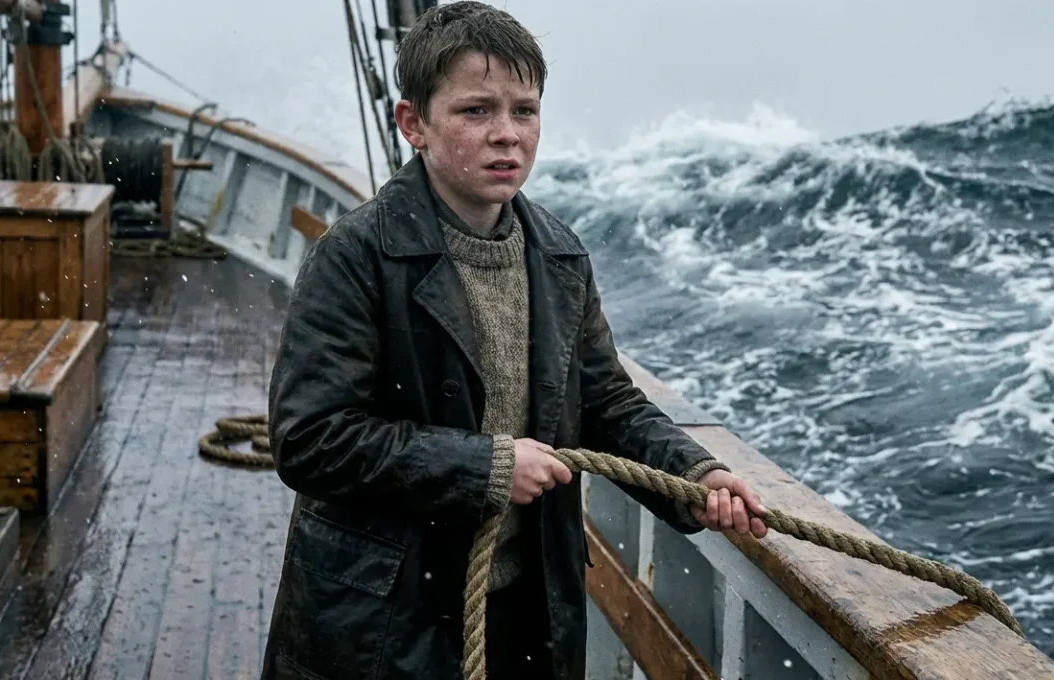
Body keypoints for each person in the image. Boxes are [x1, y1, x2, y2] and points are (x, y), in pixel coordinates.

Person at [261, 2, 768, 678]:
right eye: (477, 111)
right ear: (413, 123)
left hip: (528, 610)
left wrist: (695, 474)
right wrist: (485, 466)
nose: (507, 135)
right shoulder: (354, 256)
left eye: (524, 111)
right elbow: (311, 439)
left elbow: (607, 401)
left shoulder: (558, 257)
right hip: (382, 622)